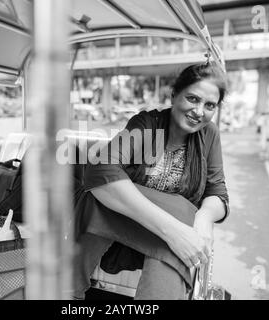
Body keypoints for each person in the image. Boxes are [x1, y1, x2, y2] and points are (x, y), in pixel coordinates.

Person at [71, 63, 230, 300]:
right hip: (113, 225)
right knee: (181, 212)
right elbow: (102, 168)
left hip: (160, 243)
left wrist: (204, 218)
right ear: (174, 95)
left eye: (209, 105)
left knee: (188, 220)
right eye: (192, 99)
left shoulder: (209, 135)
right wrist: (174, 229)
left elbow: (218, 193)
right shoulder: (146, 124)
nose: (199, 111)